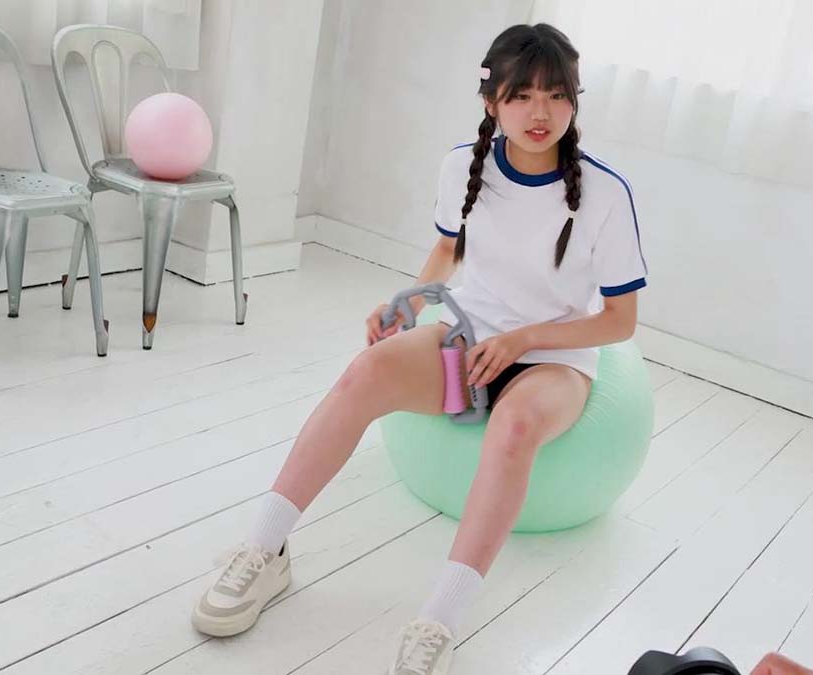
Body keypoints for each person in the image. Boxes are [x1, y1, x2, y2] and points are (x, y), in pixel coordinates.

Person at [191, 22, 647, 675]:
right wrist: (408, 299)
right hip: (469, 339)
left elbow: (619, 321)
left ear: (575, 100)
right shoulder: (463, 165)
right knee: (365, 372)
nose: (540, 112)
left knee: (515, 427)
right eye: (521, 95)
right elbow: (449, 248)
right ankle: (264, 550)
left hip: (553, 360)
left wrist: (525, 338)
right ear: (491, 102)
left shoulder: (605, 193)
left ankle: (439, 619)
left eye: (556, 95)